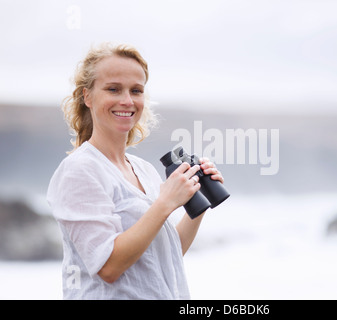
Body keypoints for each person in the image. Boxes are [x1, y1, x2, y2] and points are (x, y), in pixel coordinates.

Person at [47, 42, 224, 299]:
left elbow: (165, 255)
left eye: (136, 90)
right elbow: (108, 266)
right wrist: (165, 202)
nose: (127, 101)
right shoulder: (80, 171)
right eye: (113, 89)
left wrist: (197, 200)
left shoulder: (144, 170)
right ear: (88, 96)